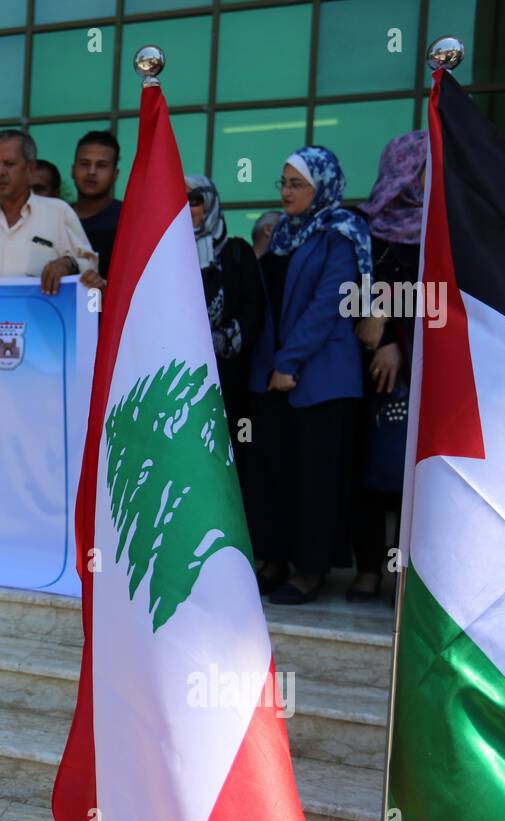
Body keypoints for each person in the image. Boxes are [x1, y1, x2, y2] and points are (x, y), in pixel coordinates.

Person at [245, 146, 371, 605]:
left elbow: (329, 304)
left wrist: (289, 362)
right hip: (272, 377)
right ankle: (275, 559)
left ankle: (309, 569)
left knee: (315, 477)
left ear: (323, 186)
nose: (286, 192)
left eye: (297, 184)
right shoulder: (282, 235)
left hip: (319, 377)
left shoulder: (342, 232)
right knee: (273, 473)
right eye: (283, 182)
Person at [349, 130, 425, 602]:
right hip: (360, 357)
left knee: (411, 472)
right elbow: (353, 279)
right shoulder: (365, 223)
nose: (415, 179)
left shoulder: (441, 226)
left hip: (418, 361)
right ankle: (368, 568)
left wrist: (395, 335)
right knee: (366, 467)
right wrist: (375, 315)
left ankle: (405, 574)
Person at [0, 130, 97, 296]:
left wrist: (67, 264)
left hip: (45, 319)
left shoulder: (59, 212)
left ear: (29, 169)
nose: (0, 172)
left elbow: (90, 265)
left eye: (9, 164)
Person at [184, 174, 264, 496]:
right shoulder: (163, 256)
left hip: (228, 384)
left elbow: (254, 312)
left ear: (210, 204)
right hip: (180, 384)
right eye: (179, 201)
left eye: (194, 201)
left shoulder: (237, 252)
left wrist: (216, 341)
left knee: (228, 463)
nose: (186, 209)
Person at [71, 130, 121, 284]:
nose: (91, 172)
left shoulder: (129, 220)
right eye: (85, 164)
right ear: (73, 170)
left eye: (101, 165)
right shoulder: (57, 216)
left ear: (115, 174)